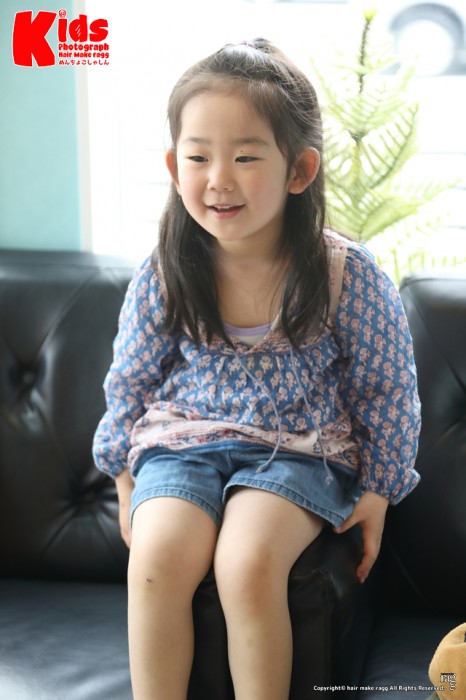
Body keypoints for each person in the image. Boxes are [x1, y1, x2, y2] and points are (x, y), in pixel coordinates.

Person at [93, 38, 421, 700]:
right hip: (183, 440)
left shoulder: (345, 274)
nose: (219, 178)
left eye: (245, 157)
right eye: (198, 157)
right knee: (155, 561)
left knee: (246, 565)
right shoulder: (165, 270)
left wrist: (380, 490)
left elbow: (387, 390)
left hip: (299, 449)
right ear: (173, 166)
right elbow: (130, 377)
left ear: (299, 170)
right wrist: (122, 471)